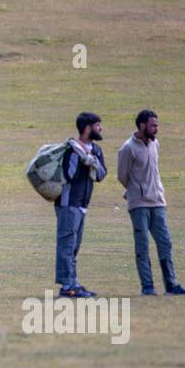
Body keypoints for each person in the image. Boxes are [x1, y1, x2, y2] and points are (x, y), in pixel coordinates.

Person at [117, 110, 185, 296]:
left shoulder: (155, 144)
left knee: (165, 243)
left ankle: (171, 285)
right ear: (142, 125)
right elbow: (122, 176)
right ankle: (148, 286)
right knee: (142, 246)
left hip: (158, 202)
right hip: (139, 204)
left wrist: (155, 190)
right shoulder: (128, 148)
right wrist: (138, 190)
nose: (156, 129)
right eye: (153, 125)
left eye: (157, 125)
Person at [55, 112, 107, 298]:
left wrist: (91, 159)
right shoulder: (72, 150)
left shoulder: (96, 150)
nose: (101, 129)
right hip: (68, 203)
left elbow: (101, 175)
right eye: (98, 125)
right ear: (87, 128)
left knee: (74, 246)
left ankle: (73, 282)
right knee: (67, 245)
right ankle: (67, 285)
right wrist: (82, 157)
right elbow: (70, 175)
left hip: (83, 203)